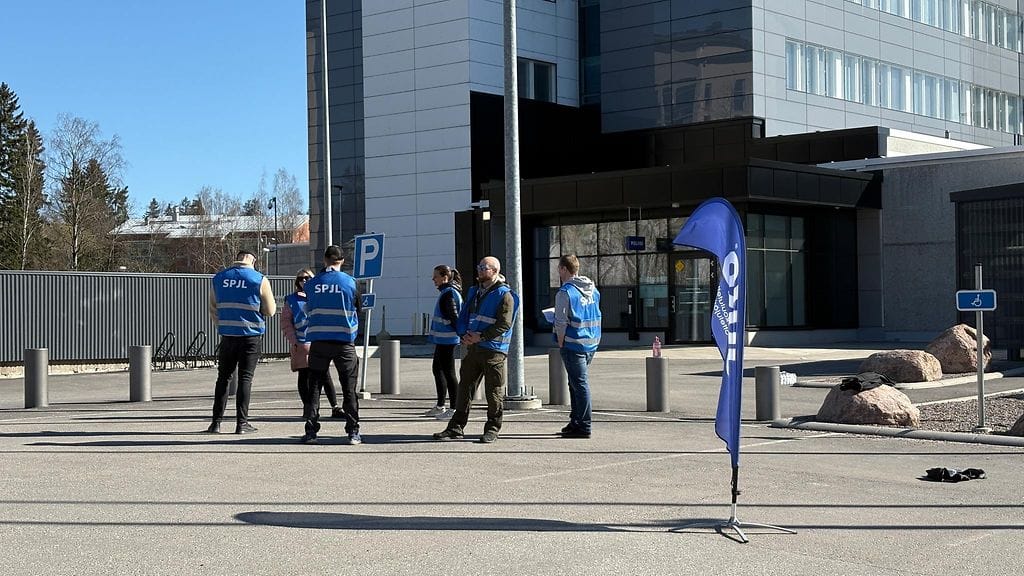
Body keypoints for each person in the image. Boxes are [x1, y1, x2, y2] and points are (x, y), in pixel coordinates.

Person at [433, 256, 519, 444]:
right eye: (479, 266)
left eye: (484, 267)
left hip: (493, 351)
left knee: (493, 392)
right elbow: (465, 315)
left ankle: (492, 429)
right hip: (473, 348)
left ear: (495, 271)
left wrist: (481, 336)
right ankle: (455, 428)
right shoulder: (475, 291)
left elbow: (504, 324)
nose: (479, 270)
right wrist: (464, 335)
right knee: (465, 388)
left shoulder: (504, 294)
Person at [206, 250, 276, 434]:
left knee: (223, 378)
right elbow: (270, 310)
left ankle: (216, 423)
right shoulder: (258, 279)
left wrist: (223, 325)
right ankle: (241, 423)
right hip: (250, 336)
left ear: (237, 258)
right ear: (253, 260)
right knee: (245, 378)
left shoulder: (219, 278)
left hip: (228, 335)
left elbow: (213, 308)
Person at [301, 245, 362, 445]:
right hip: (344, 341)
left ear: (324, 260)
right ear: (342, 261)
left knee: (314, 387)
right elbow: (358, 308)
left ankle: (311, 432)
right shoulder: (351, 282)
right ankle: (353, 431)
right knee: (349, 388)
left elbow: (308, 307)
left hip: (319, 341)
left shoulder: (312, 284)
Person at [280, 268, 344, 420]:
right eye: (301, 278)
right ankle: (308, 407)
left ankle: (335, 406)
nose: (304, 281)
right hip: (301, 343)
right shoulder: (291, 300)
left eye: (307, 278)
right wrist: (294, 341)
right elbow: (286, 323)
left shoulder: (320, 296)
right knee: (304, 375)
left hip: (319, 340)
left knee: (325, 374)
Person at [552, 254, 602, 438]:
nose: (559, 272)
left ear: (564, 269)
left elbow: (560, 321)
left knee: (579, 384)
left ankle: (584, 425)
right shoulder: (592, 289)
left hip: (573, 343)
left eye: (559, 268)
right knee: (575, 383)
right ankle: (576, 421)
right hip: (591, 342)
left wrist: (560, 341)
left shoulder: (565, 292)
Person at [425, 265, 463, 419]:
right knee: (438, 369)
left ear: (445, 277)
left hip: (447, 339)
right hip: (443, 339)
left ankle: (454, 408)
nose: (433, 279)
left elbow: (454, 317)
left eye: (436, 276)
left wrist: (462, 334)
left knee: (449, 373)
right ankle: (441, 406)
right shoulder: (447, 292)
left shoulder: (449, 293)